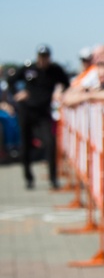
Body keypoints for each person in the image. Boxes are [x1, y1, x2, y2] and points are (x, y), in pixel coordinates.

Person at [10, 45, 70, 189]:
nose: (43, 60)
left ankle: (53, 178)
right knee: (26, 145)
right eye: (41, 57)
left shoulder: (55, 70)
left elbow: (66, 83)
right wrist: (17, 93)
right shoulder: (28, 68)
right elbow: (11, 80)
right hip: (27, 111)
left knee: (50, 143)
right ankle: (28, 178)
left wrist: (60, 90)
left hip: (43, 112)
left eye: (46, 57)